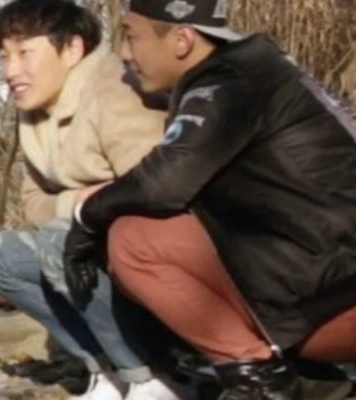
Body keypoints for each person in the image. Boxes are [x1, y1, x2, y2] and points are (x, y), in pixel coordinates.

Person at [62, 0, 356, 398]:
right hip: (331, 282)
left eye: (131, 36)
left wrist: (86, 217)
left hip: (339, 302)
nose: (125, 54)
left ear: (182, 39)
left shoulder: (227, 83)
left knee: (136, 240)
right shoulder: (262, 70)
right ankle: (299, 380)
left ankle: (261, 382)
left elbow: (163, 182)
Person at [0, 1, 188, 399]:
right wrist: (80, 201)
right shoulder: (35, 109)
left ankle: (159, 377)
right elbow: (32, 202)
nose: (9, 71)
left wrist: (86, 210)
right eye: (4, 56)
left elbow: (157, 195)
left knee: (61, 240)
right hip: (100, 245)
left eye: (24, 52)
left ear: (72, 49)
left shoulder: (117, 91)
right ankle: (110, 370)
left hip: (164, 268)